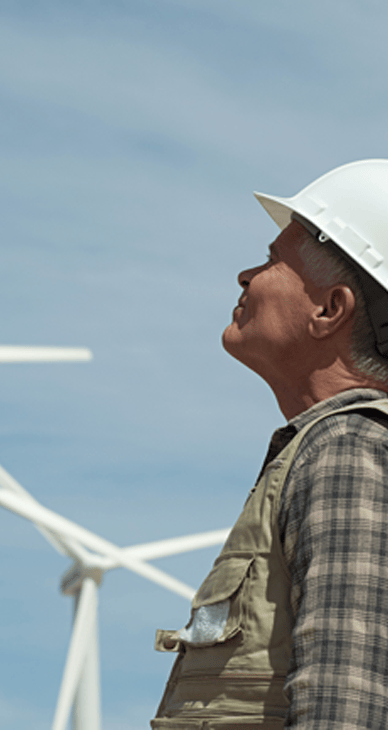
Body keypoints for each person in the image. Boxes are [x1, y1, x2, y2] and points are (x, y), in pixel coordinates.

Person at [151, 160, 388, 729]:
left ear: (330, 310)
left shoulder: (350, 449)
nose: (245, 275)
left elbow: (343, 700)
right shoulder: (327, 446)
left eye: (272, 260)